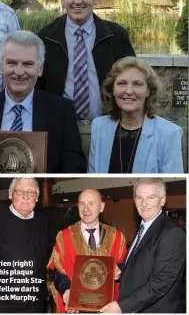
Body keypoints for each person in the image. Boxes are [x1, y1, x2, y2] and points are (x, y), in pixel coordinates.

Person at [0, 30, 87, 187]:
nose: (19, 72)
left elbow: (74, 168)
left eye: (28, 64)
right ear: (1, 67)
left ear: (40, 69)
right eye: (12, 63)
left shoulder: (61, 110)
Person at [37, 0, 135, 121]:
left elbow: (133, 78)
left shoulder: (117, 35)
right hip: (58, 126)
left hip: (107, 125)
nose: (77, 1)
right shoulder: (45, 37)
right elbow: (37, 86)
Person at [0, 177, 55, 313]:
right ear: (10, 194)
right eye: (20, 191)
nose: (25, 197)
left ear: (36, 198)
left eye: (31, 193)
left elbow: (53, 260)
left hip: (36, 306)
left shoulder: (44, 223)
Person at [101, 178, 186, 313]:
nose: (144, 203)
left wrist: (122, 306)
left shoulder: (172, 233)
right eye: (139, 198)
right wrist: (121, 270)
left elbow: (160, 282)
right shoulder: (143, 228)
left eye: (151, 197)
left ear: (162, 200)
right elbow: (142, 264)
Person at [88, 56, 184, 173]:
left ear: (149, 91)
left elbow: (172, 186)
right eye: (121, 83)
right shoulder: (99, 127)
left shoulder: (169, 134)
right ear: (112, 90)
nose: (128, 91)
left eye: (137, 84)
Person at [48, 189, 127, 313]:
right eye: (82, 204)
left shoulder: (116, 237)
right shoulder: (64, 236)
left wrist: (120, 269)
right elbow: (56, 271)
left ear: (101, 207)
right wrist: (66, 290)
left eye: (91, 203)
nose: (86, 209)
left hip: (107, 308)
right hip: (74, 308)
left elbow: (127, 266)